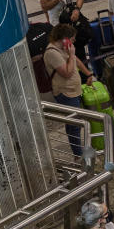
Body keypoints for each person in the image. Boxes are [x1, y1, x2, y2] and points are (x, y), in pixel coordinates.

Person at [42, 23, 95, 158]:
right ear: (64, 39)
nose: (74, 41)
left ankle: (81, 151)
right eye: (72, 38)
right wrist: (71, 54)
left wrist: (88, 73)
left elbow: (76, 61)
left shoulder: (63, 48)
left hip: (74, 90)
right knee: (74, 125)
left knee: (76, 123)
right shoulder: (52, 53)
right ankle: (79, 154)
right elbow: (67, 72)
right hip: (65, 93)